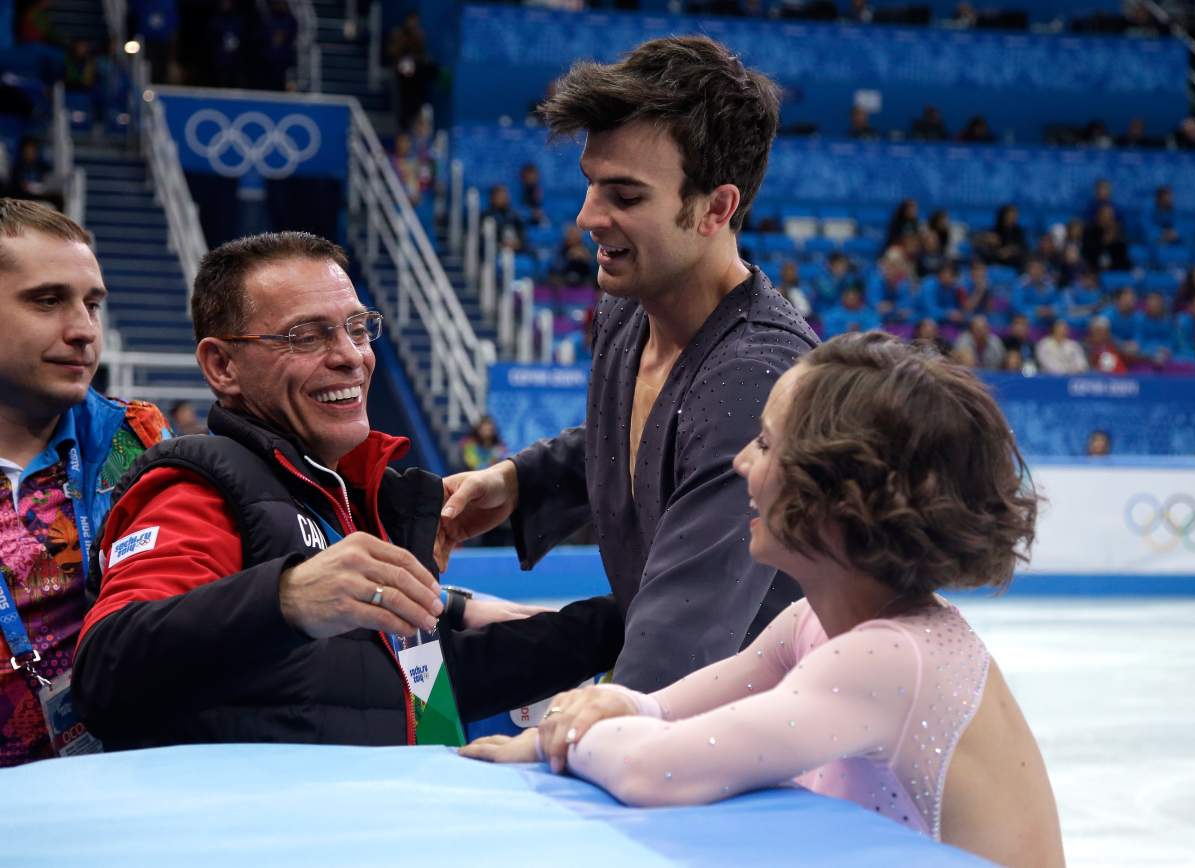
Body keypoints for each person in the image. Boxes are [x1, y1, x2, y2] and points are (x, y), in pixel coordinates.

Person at [462, 332, 1064, 868]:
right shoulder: (815, 621)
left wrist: (558, 735)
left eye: (767, 445)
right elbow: (657, 710)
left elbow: (656, 767)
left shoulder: (887, 659)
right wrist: (578, 720)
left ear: (840, 498)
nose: (741, 461)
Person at [72, 232, 623, 750]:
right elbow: (106, 670)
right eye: (306, 336)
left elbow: (419, 693)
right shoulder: (199, 488)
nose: (350, 356)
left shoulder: (353, 498)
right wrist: (286, 599)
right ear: (222, 366)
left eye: (358, 329)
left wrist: (621, 623)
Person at [437, 36, 819, 693]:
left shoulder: (757, 377)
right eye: (590, 185)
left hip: (757, 736)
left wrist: (577, 740)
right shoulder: (630, 306)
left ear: (716, 208)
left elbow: (683, 638)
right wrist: (516, 482)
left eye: (625, 196)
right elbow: (642, 442)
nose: (588, 217)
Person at [0, 198, 170, 766]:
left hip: (122, 790)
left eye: (92, 304)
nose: (84, 331)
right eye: (48, 301)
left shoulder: (141, 443)